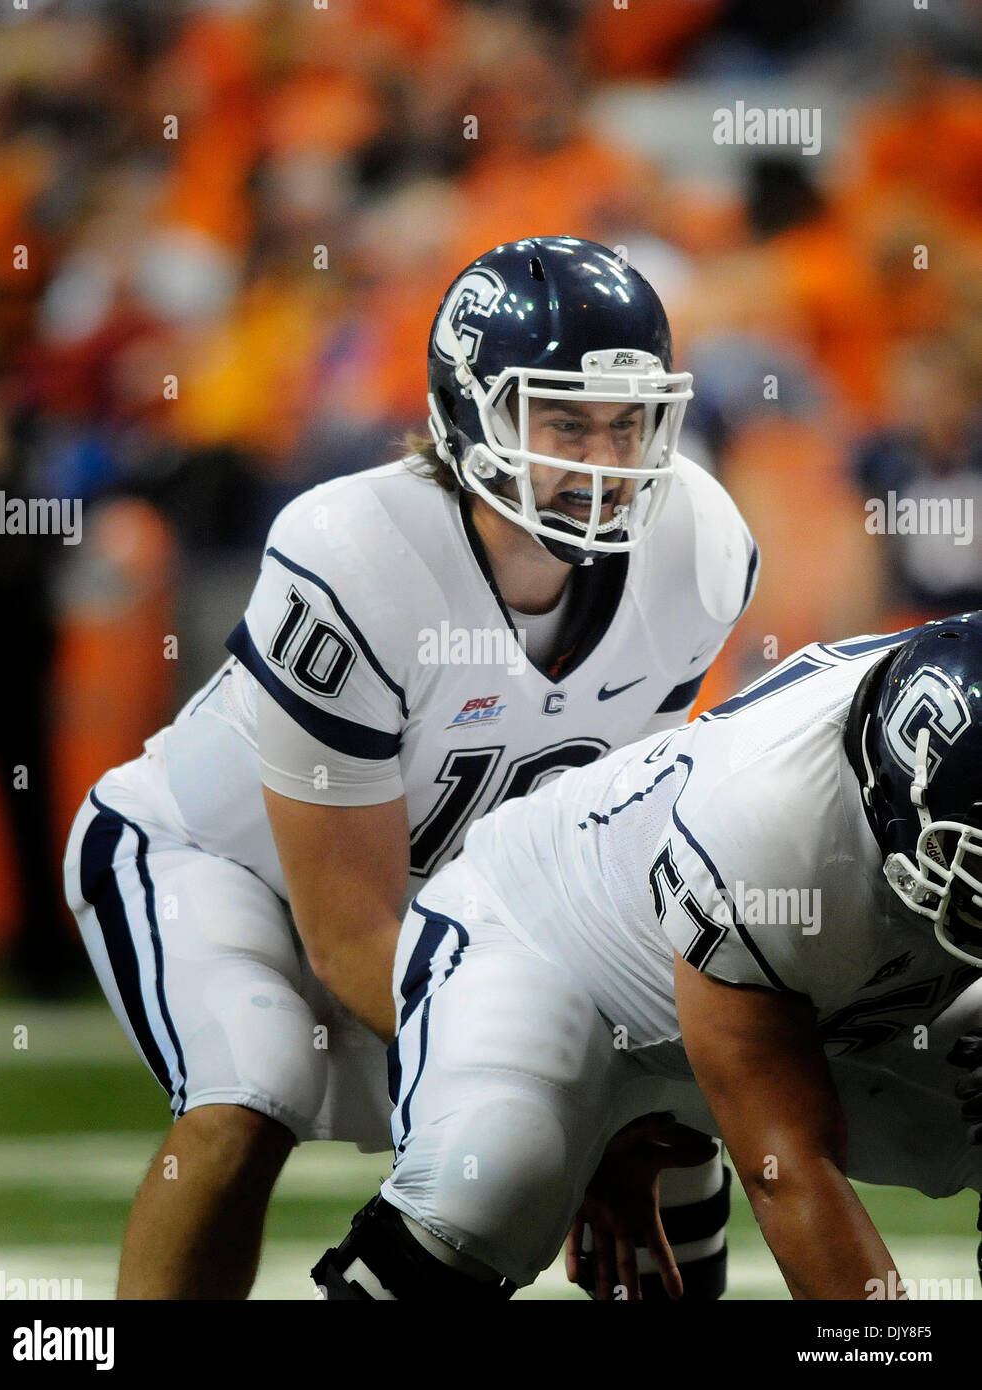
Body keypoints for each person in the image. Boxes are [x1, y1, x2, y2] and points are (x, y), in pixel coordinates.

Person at [63, 235, 758, 1298]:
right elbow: (348, 937)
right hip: (211, 857)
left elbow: (597, 852)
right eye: (563, 418)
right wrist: (548, 1090)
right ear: (468, 411)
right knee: (252, 1090)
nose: (604, 459)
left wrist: (618, 1096)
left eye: (628, 423)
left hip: (433, 896)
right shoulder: (354, 554)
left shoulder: (697, 548)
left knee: (664, 1112)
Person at [316, 612, 982, 1300]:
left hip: (795, 997)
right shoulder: (767, 827)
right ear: (904, 805)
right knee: (490, 1178)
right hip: (544, 951)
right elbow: (791, 1165)